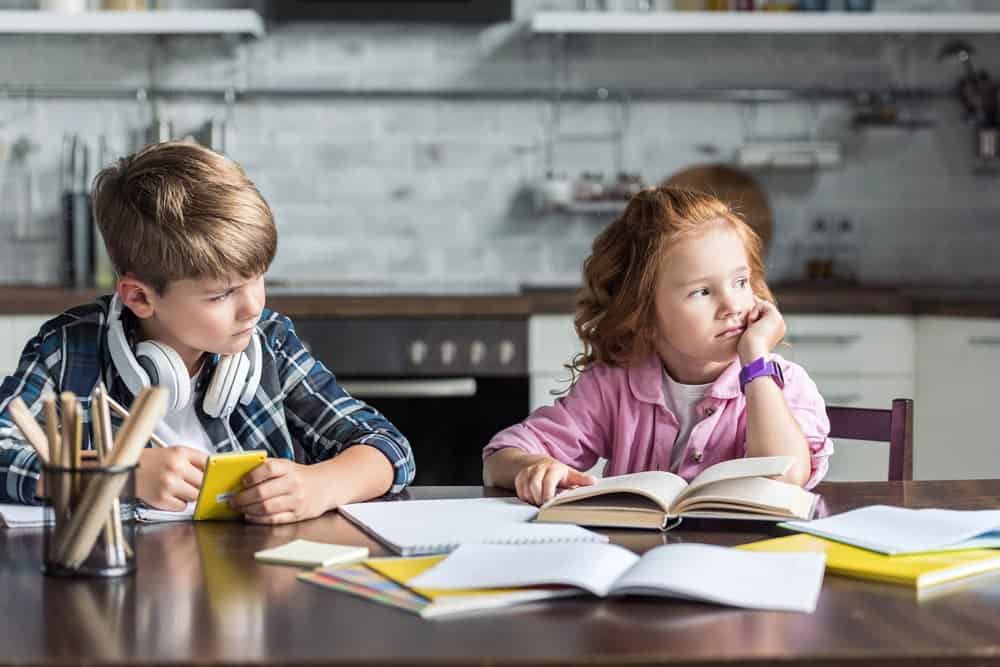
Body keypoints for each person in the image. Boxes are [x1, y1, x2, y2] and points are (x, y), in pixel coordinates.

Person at [0, 141, 415, 523]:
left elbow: (387, 446)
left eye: (258, 278)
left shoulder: (270, 342)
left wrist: (319, 486)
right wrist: (117, 475)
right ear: (140, 298)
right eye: (221, 295)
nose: (253, 306)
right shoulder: (68, 349)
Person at [483, 185, 832, 506]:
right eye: (703, 292)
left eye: (740, 282)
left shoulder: (780, 383)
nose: (733, 306)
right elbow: (500, 456)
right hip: (638, 556)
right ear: (643, 315)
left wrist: (755, 360)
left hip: (742, 560)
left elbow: (784, 480)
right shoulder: (614, 386)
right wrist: (533, 466)